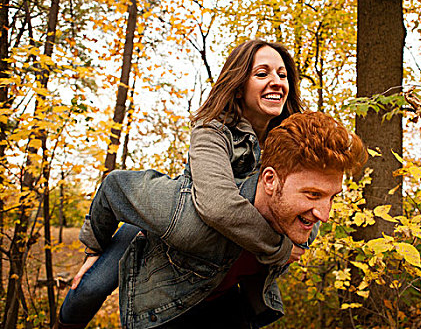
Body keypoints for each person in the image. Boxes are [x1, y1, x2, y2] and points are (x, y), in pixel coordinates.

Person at [56, 39, 303, 328]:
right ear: (238, 85)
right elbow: (218, 205)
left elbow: (306, 215)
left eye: (282, 75)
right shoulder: (213, 129)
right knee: (89, 288)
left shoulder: (292, 146)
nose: (276, 82)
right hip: (172, 221)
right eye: (262, 74)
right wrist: (93, 247)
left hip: (215, 270)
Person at [80, 112, 367, 328]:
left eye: (331, 197)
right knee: (85, 293)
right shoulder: (188, 218)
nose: (324, 215)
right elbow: (115, 186)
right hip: (164, 307)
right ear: (270, 180)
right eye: (313, 194)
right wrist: (93, 247)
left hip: (223, 299)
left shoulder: (303, 226)